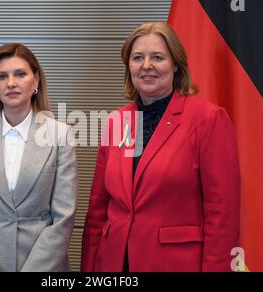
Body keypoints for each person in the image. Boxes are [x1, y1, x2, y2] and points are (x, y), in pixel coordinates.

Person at [81, 22, 240, 272]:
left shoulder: (207, 119)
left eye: (157, 57)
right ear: (129, 66)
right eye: (137, 58)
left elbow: (223, 216)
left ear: (175, 64)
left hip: (173, 264)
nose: (146, 66)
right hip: (113, 263)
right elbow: (97, 211)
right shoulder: (116, 122)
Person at [0, 43, 78, 272]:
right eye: (2, 76)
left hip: (42, 266)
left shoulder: (60, 135)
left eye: (20, 74)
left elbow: (64, 216)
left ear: (35, 81)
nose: (11, 83)